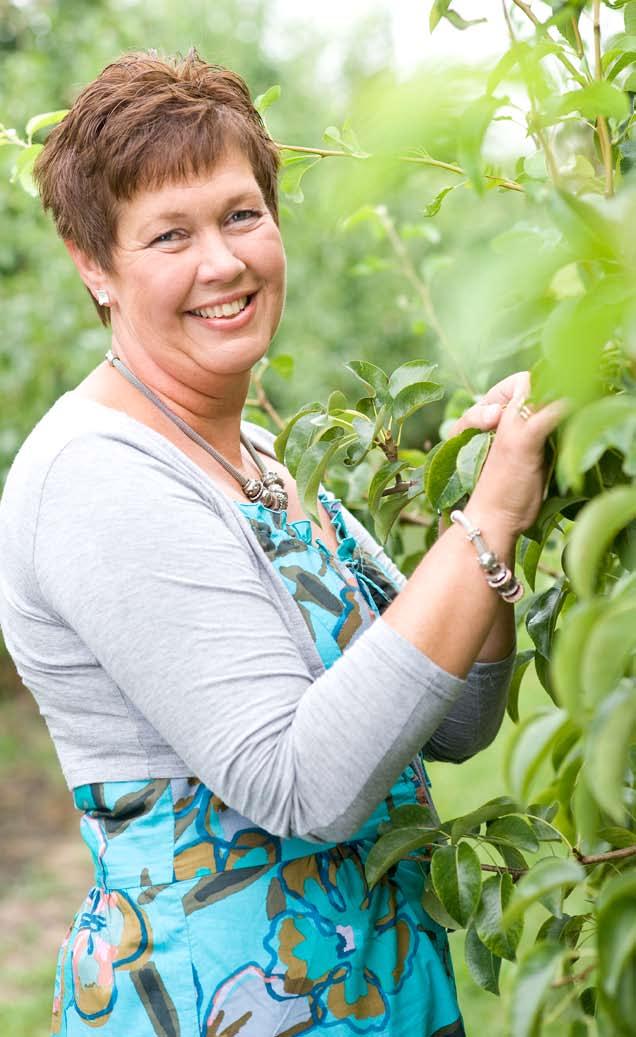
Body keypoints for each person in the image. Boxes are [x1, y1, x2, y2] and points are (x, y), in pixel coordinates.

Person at [0, 51, 562, 1037]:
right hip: (229, 1002)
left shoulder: (255, 451)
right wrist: (493, 513)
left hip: (373, 988)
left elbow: (455, 718)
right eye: (168, 234)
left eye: (240, 214)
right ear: (96, 266)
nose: (221, 262)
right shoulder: (99, 477)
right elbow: (306, 785)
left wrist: (490, 508)